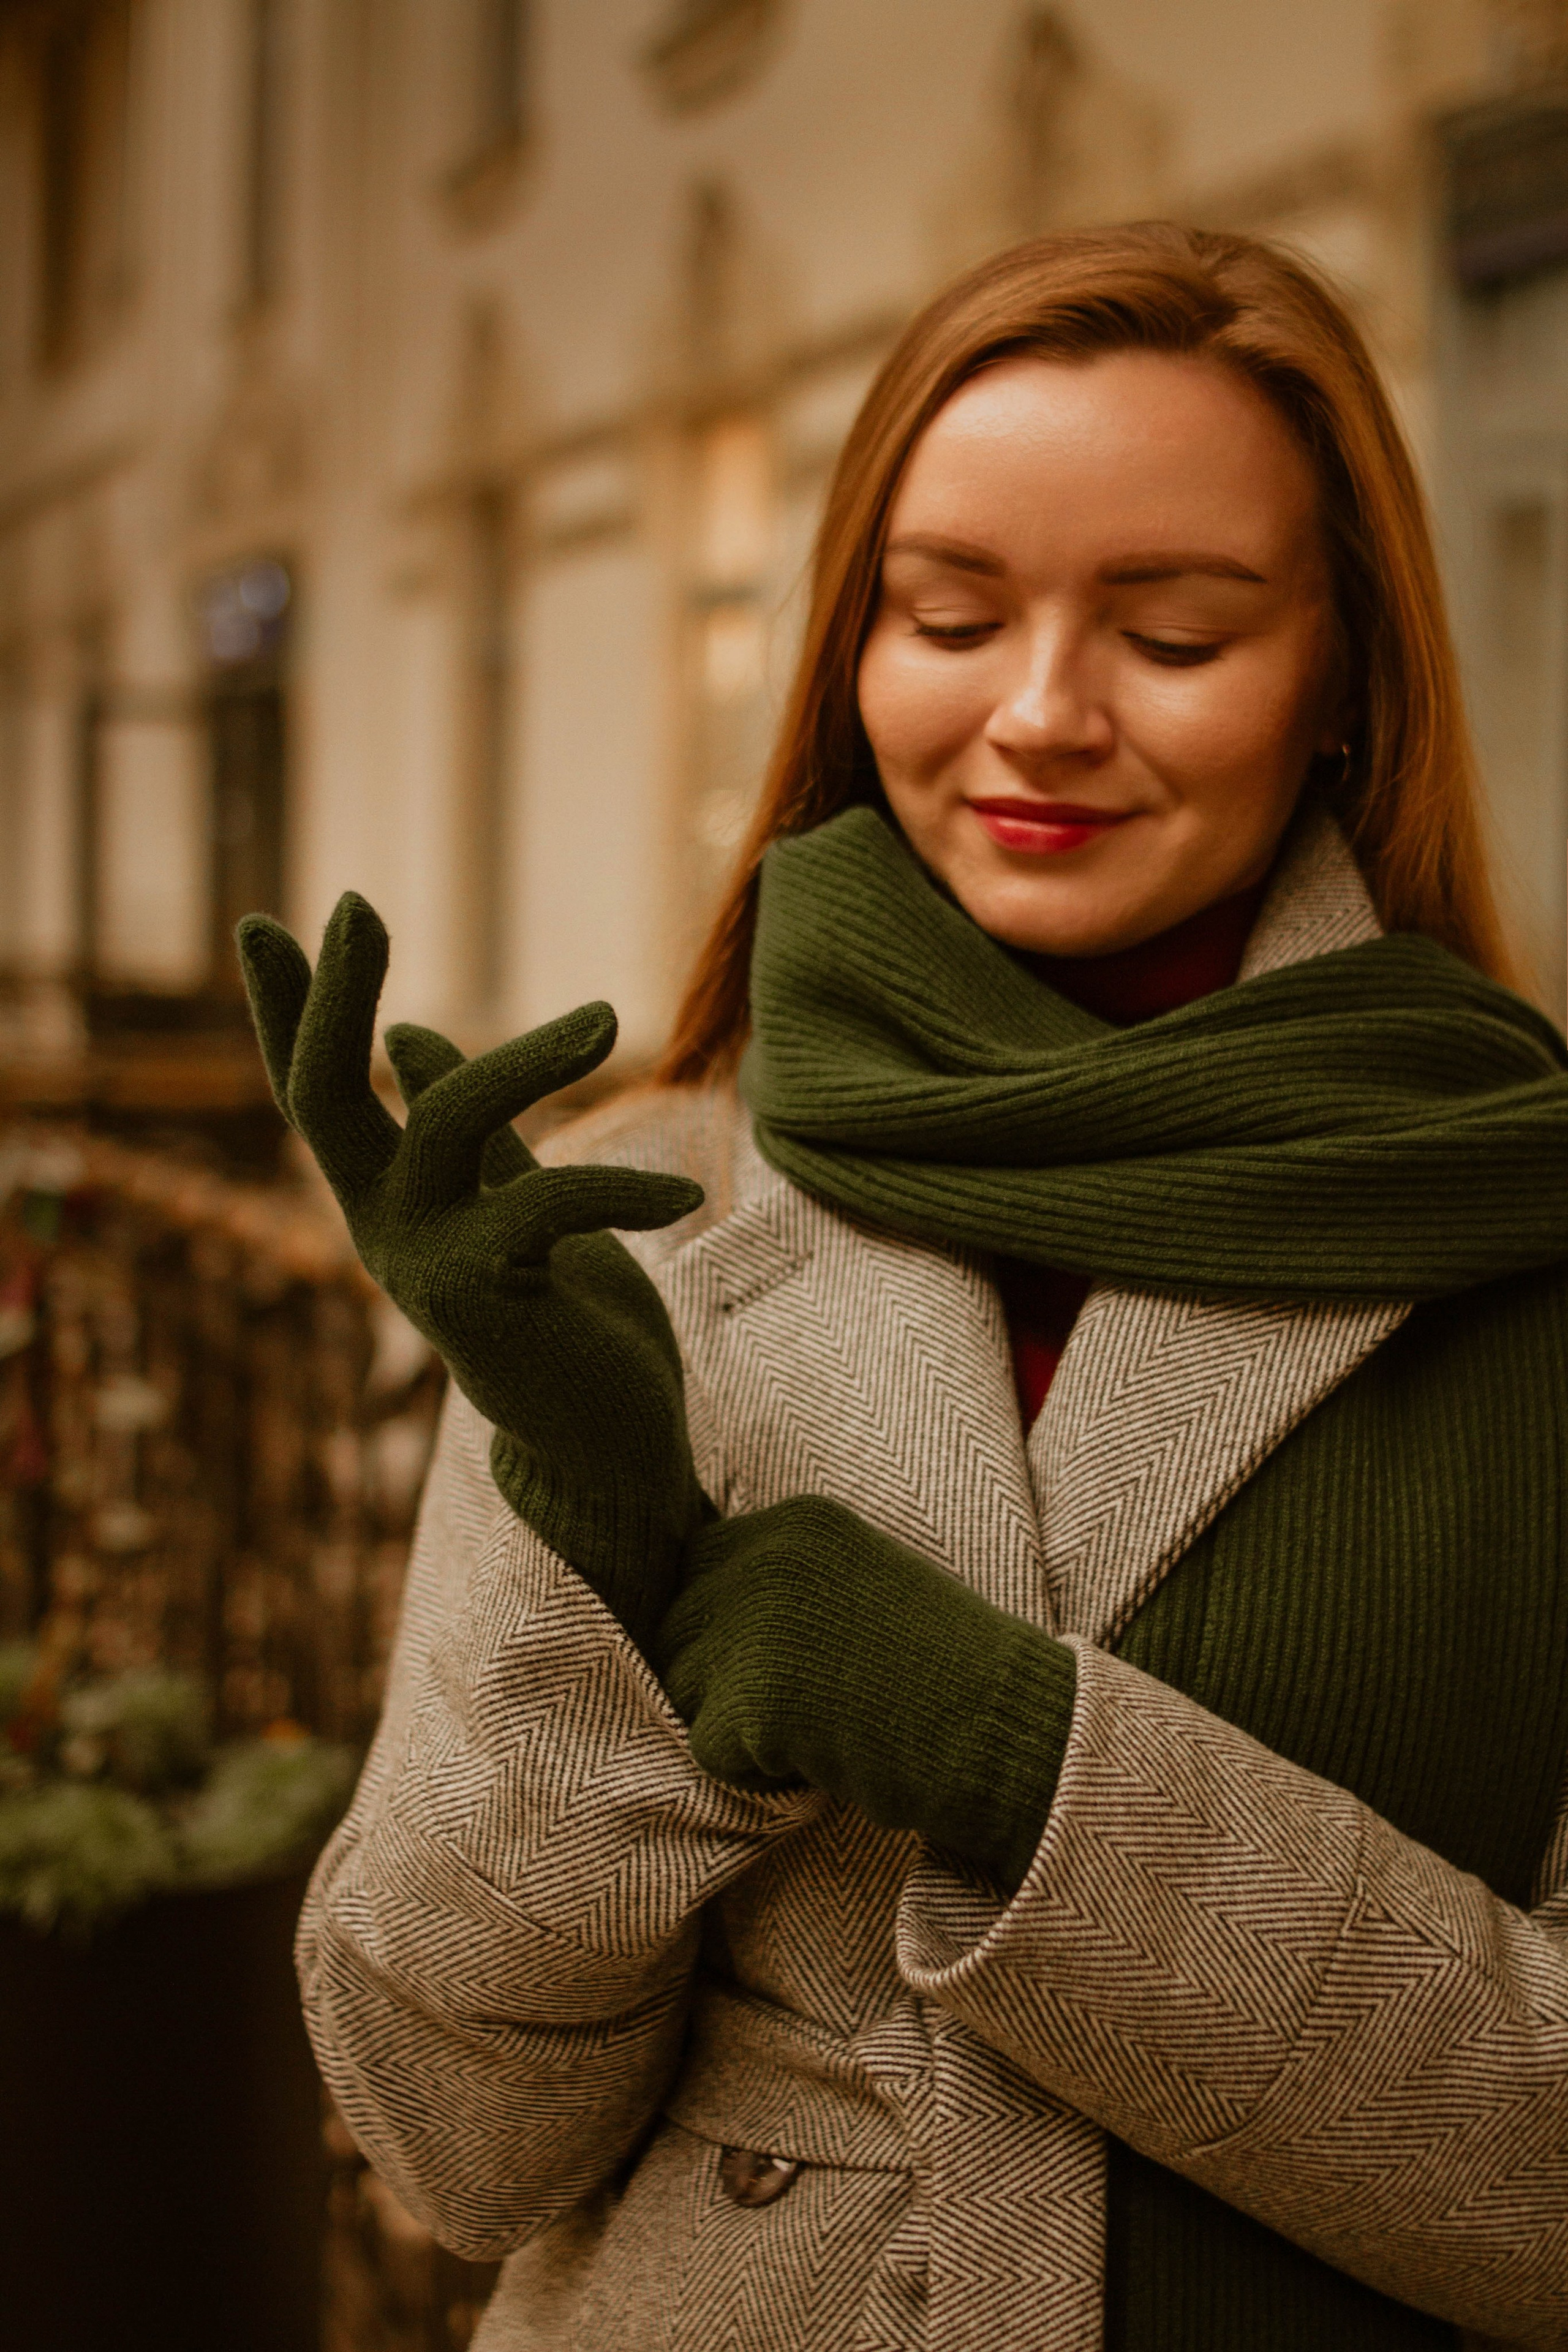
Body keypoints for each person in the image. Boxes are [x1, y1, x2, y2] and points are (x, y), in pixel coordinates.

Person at [241, 225, 1568, 2351]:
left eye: (1176, 630)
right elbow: (451, 2151)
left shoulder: (1525, 1242)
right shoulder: (636, 1222)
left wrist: (1025, 1763)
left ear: (1347, 683)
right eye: (950, 614)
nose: (1040, 715)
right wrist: (593, 1567)